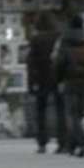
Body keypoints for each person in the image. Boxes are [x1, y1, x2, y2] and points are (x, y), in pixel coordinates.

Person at [53, 15, 84, 159]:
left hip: (69, 82)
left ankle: (82, 143)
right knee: (78, 115)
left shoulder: (65, 42)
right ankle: (72, 145)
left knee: (72, 115)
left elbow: (59, 64)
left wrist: (58, 79)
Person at [28, 13, 67, 154]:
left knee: (41, 111)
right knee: (61, 110)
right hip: (57, 78)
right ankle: (62, 142)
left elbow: (31, 63)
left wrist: (31, 83)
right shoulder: (59, 38)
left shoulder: (36, 39)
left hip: (41, 78)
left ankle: (42, 142)